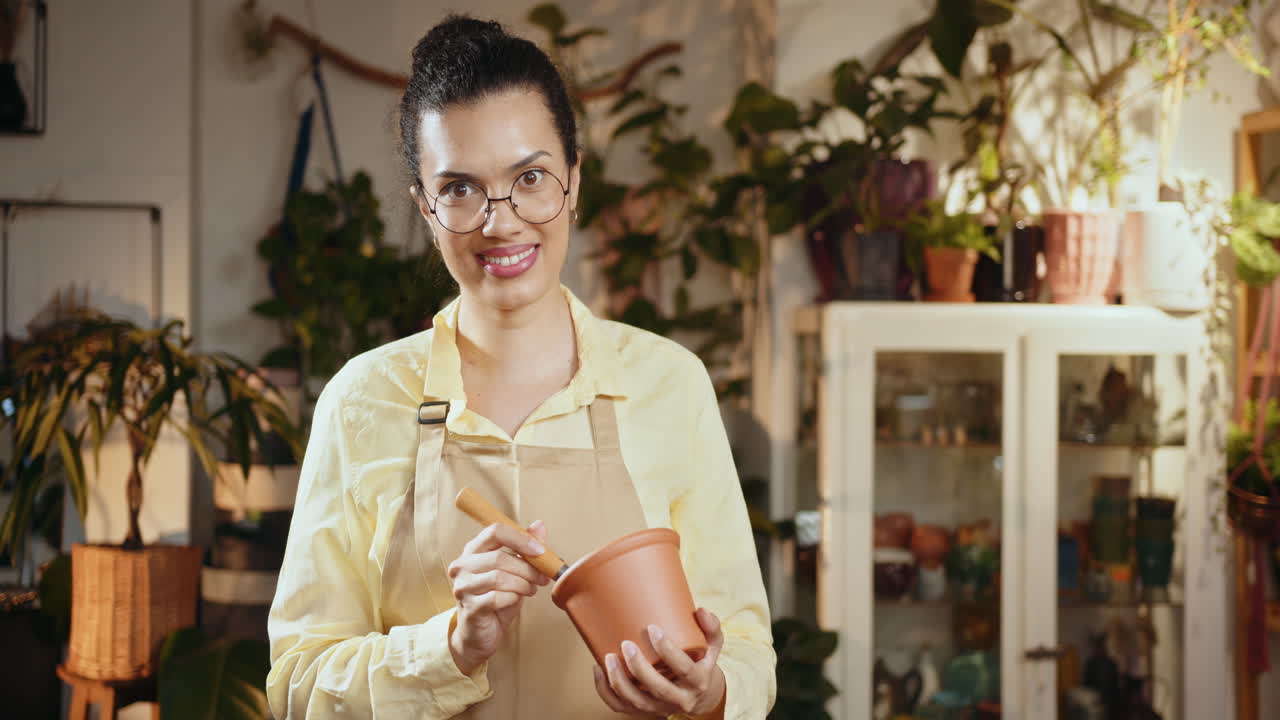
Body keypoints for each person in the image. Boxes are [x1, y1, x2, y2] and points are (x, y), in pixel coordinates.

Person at [266, 14, 775, 719]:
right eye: (460, 189)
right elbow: (297, 685)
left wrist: (710, 691)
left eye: (530, 177)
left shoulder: (668, 383)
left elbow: (746, 647)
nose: (500, 222)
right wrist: (450, 646)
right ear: (425, 206)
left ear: (573, 177)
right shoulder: (362, 401)